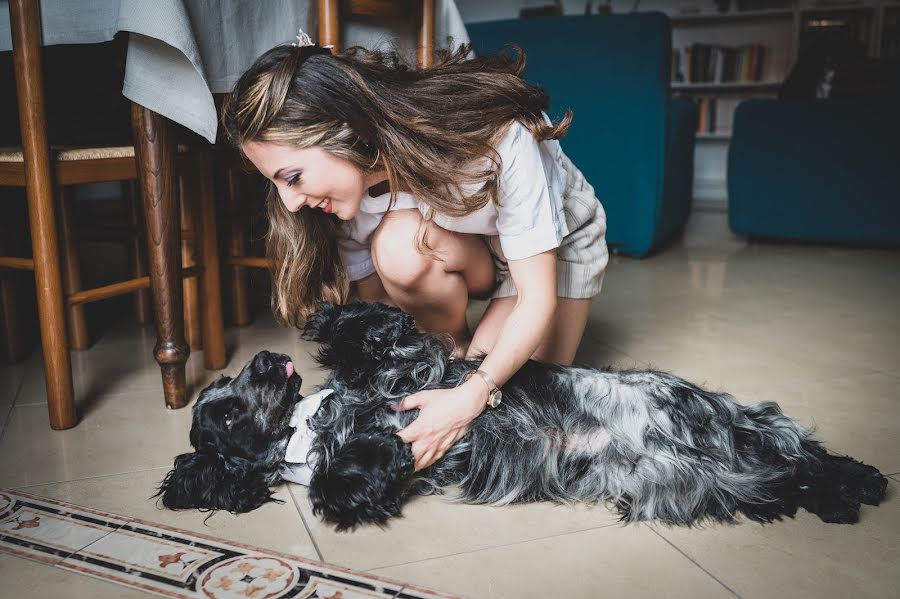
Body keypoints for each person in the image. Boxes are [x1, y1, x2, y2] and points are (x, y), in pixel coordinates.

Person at [223, 31, 608, 472]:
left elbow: (536, 300)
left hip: (554, 252)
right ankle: (456, 347)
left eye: (291, 177)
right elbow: (382, 311)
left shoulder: (496, 140)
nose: (290, 202)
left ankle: (471, 370)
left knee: (515, 408)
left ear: (343, 131)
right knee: (400, 250)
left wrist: (473, 394)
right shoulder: (345, 202)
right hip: (473, 250)